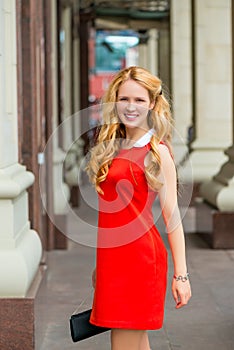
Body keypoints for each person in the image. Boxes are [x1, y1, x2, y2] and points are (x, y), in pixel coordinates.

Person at [86, 66, 192, 350]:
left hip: (140, 261)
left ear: (153, 104)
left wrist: (181, 275)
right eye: (124, 99)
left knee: (123, 342)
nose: (130, 107)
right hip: (113, 261)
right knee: (133, 341)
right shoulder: (112, 146)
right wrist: (101, 266)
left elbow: (172, 219)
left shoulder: (157, 152)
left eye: (139, 100)